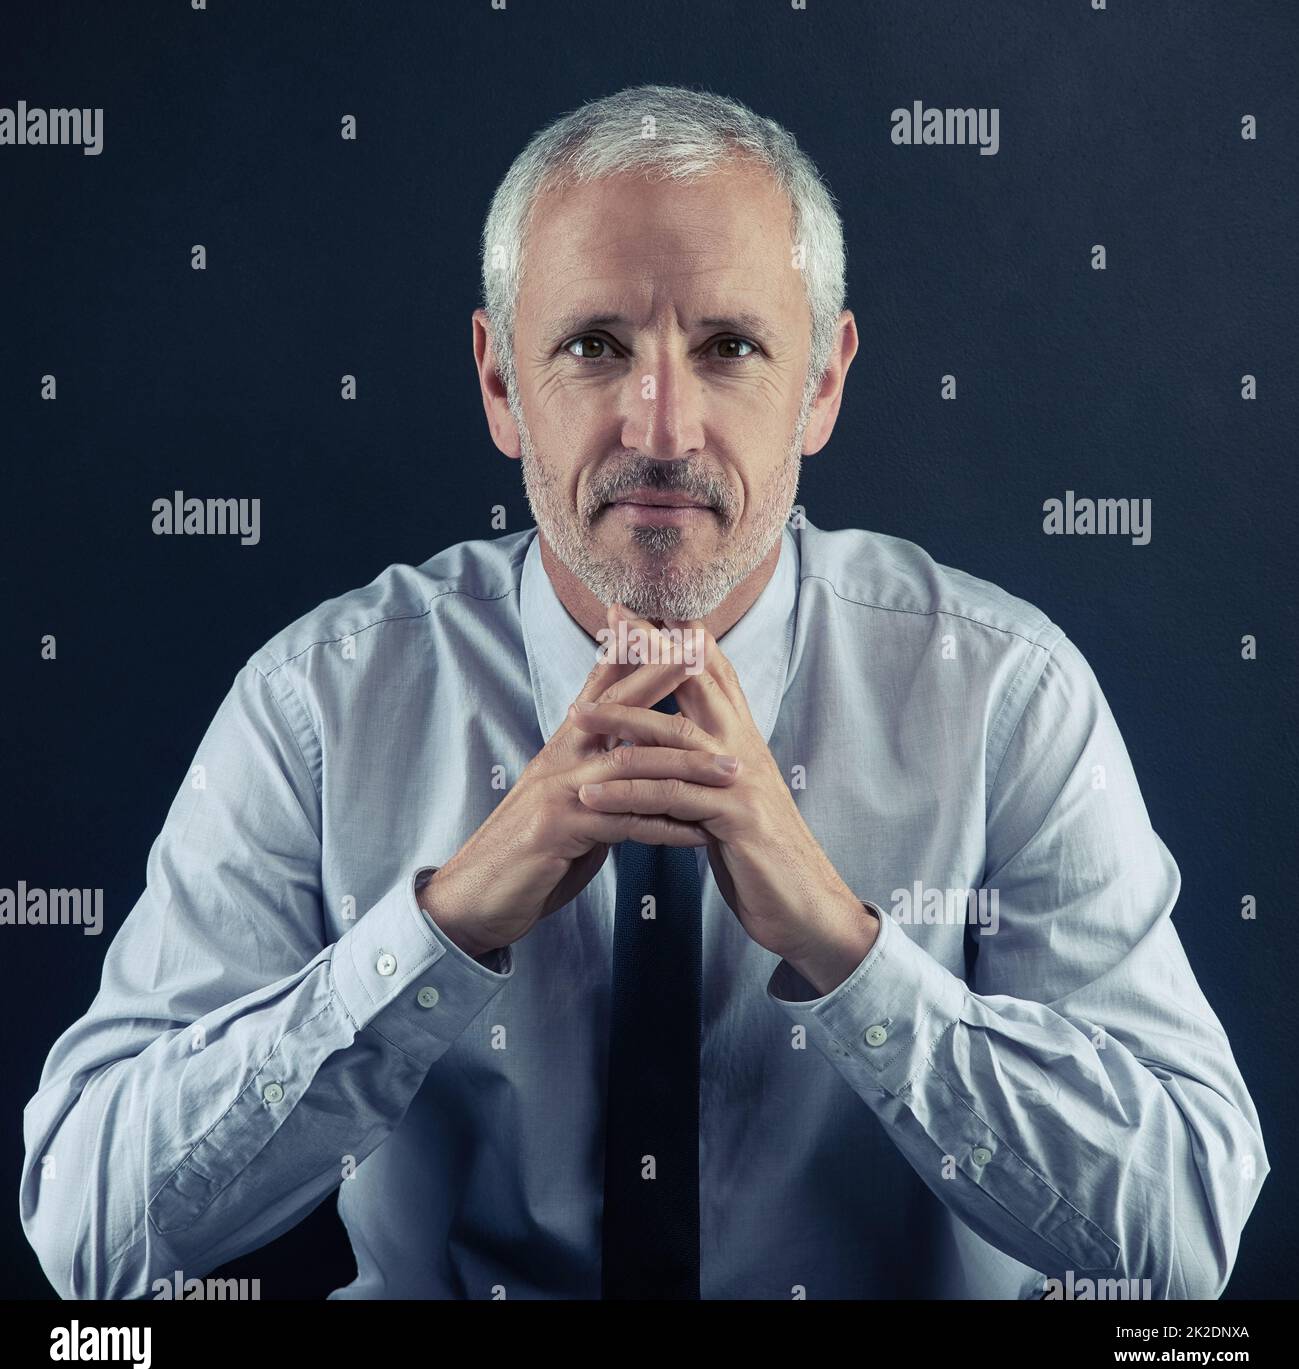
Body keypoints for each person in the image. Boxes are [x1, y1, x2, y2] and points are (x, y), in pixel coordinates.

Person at [21, 84, 1268, 1300]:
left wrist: (849, 950)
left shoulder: (1006, 696)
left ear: (822, 384)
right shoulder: (319, 704)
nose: (659, 424)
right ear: (501, 381)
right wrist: (438, 931)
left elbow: (1183, 1234)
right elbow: (91, 1229)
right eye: (593, 345)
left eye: (728, 347)